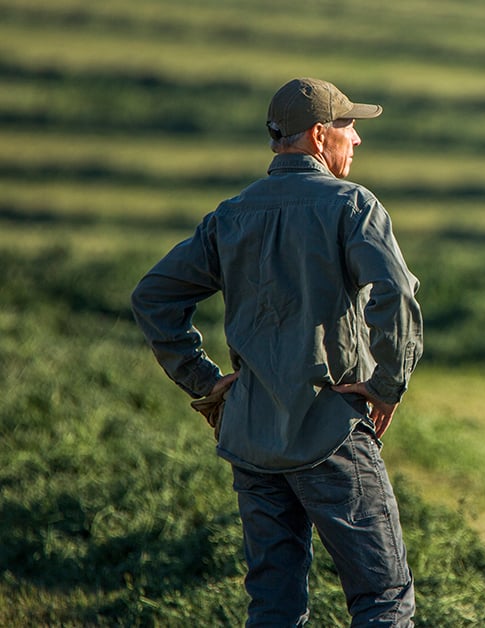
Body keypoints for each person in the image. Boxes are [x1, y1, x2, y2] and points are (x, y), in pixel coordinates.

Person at [131, 77, 423, 626]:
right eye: (348, 126)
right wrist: (388, 385)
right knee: (383, 599)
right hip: (329, 428)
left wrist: (203, 381)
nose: (356, 139)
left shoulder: (232, 213)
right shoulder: (352, 205)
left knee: (274, 605)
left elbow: (153, 296)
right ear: (319, 135)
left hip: (251, 438)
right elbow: (396, 293)